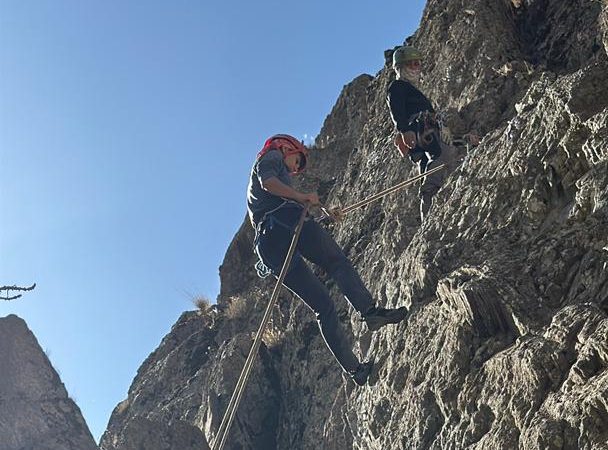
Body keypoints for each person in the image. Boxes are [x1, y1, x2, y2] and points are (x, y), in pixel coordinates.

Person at [247, 134, 408, 385]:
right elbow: (269, 183)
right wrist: (301, 197)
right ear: (287, 147)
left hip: (269, 246)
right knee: (336, 261)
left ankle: (355, 370)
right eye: (297, 161)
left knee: (323, 306)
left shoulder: (262, 189)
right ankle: (370, 311)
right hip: (284, 223)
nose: (295, 169)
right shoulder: (272, 156)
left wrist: (323, 211)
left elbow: (277, 197)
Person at [387, 45, 479, 220]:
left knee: (434, 163)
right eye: (411, 64)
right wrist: (404, 130)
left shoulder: (413, 92)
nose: (416, 68)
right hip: (421, 132)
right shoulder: (397, 86)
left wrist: (463, 140)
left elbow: (442, 140)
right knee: (440, 159)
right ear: (399, 67)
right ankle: (430, 204)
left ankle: (429, 213)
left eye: (418, 64)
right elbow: (396, 109)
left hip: (426, 134)